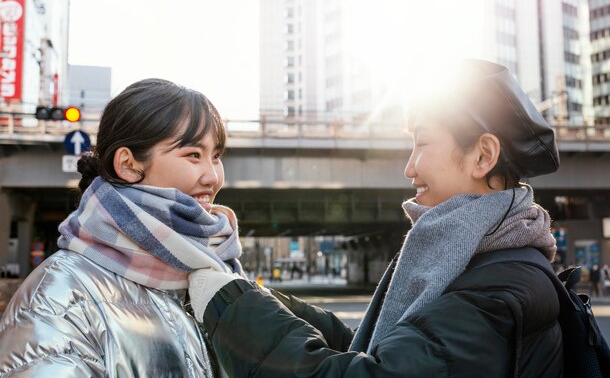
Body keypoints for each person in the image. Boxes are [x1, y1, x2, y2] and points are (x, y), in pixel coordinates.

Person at [187, 59, 563, 377]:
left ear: (482, 156)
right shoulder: (477, 259)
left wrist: (232, 309)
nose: (408, 168)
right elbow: (375, 346)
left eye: (423, 143)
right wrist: (258, 298)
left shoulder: (497, 291)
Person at [0, 78, 243, 377]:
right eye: (193, 154)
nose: (212, 177)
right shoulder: (58, 296)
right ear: (128, 164)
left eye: (216, 157)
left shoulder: (219, 274)